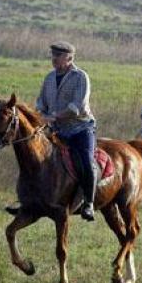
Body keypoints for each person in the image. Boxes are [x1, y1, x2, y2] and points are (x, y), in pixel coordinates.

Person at [36, 41, 97, 221]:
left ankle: (89, 203)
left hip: (80, 128)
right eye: (53, 55)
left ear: (69, 58)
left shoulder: (80, 77)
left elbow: (77, 107)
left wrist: (53, 117)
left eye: (58, 56)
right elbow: (41, 103)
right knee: (35, 158)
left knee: (86, 161)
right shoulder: (49, 78)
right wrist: (40, 115)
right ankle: (31, 200)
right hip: (56, 131)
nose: (54, 59)